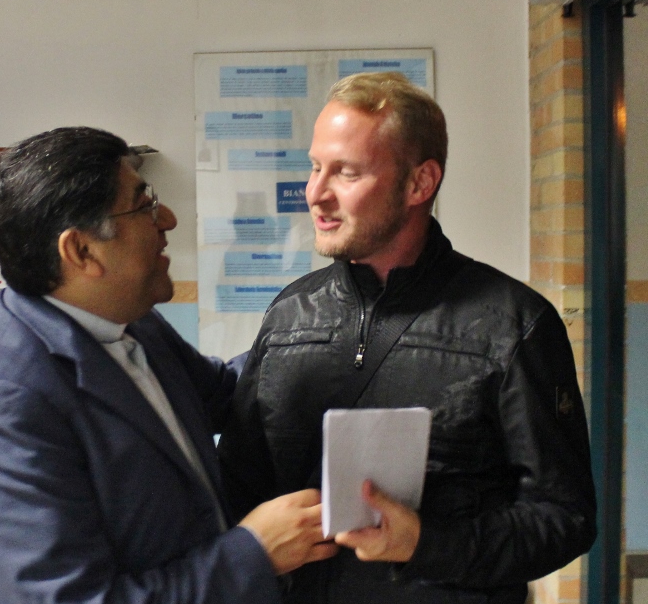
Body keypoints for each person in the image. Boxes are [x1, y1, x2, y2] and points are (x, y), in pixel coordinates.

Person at [217, 72, 597, 604]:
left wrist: (425, 544)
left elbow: (564, 518)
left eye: (346, 172)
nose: (315, 194)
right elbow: (237, 486)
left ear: (421, 183)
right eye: (315, 167)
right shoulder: (288, 315)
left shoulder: (513, 325)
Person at [0, 126, 336, 604]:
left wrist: (331, 321)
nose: (167, 219)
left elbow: (230, 392)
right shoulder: (0, 401)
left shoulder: (132, 321)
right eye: (144, 205)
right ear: (82, 251)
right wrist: (254, 554)